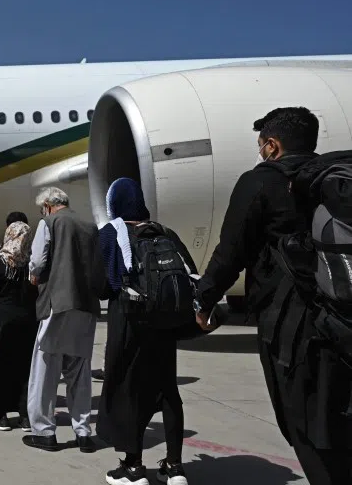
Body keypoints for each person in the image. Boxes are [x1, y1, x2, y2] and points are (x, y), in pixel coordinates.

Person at [194, 107, 352, 483]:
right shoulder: (334, 181)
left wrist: (204, 300)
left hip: (293, 328)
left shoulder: (261, 182)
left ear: (272, 145)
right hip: (344, 316)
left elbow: (231, 250)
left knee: (305, 426)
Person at [96, 178, 195, 485]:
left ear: (115, 204)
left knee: (128, 390)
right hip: (165, 324)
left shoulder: (111, 234)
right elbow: (187, 273)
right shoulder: (164, 232)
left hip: (130, 322)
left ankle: (133, 467)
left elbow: (102, 287)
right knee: (168, 391)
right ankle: (175, 467)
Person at [22, 187, 103, 454]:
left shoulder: (49, 223)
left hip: (57, 304)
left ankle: (44, 432)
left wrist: (34, 276)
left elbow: (36, 262)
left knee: (45, 370)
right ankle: (83, 432)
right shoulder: (90, 227)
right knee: (80, 371)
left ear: (47, 205)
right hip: (86, 306)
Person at [0, 215, 37, 431]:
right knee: (24, 368)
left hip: (2, 321)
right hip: (28, 320)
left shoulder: (1, 262)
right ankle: (25, 416)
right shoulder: (31, 264)